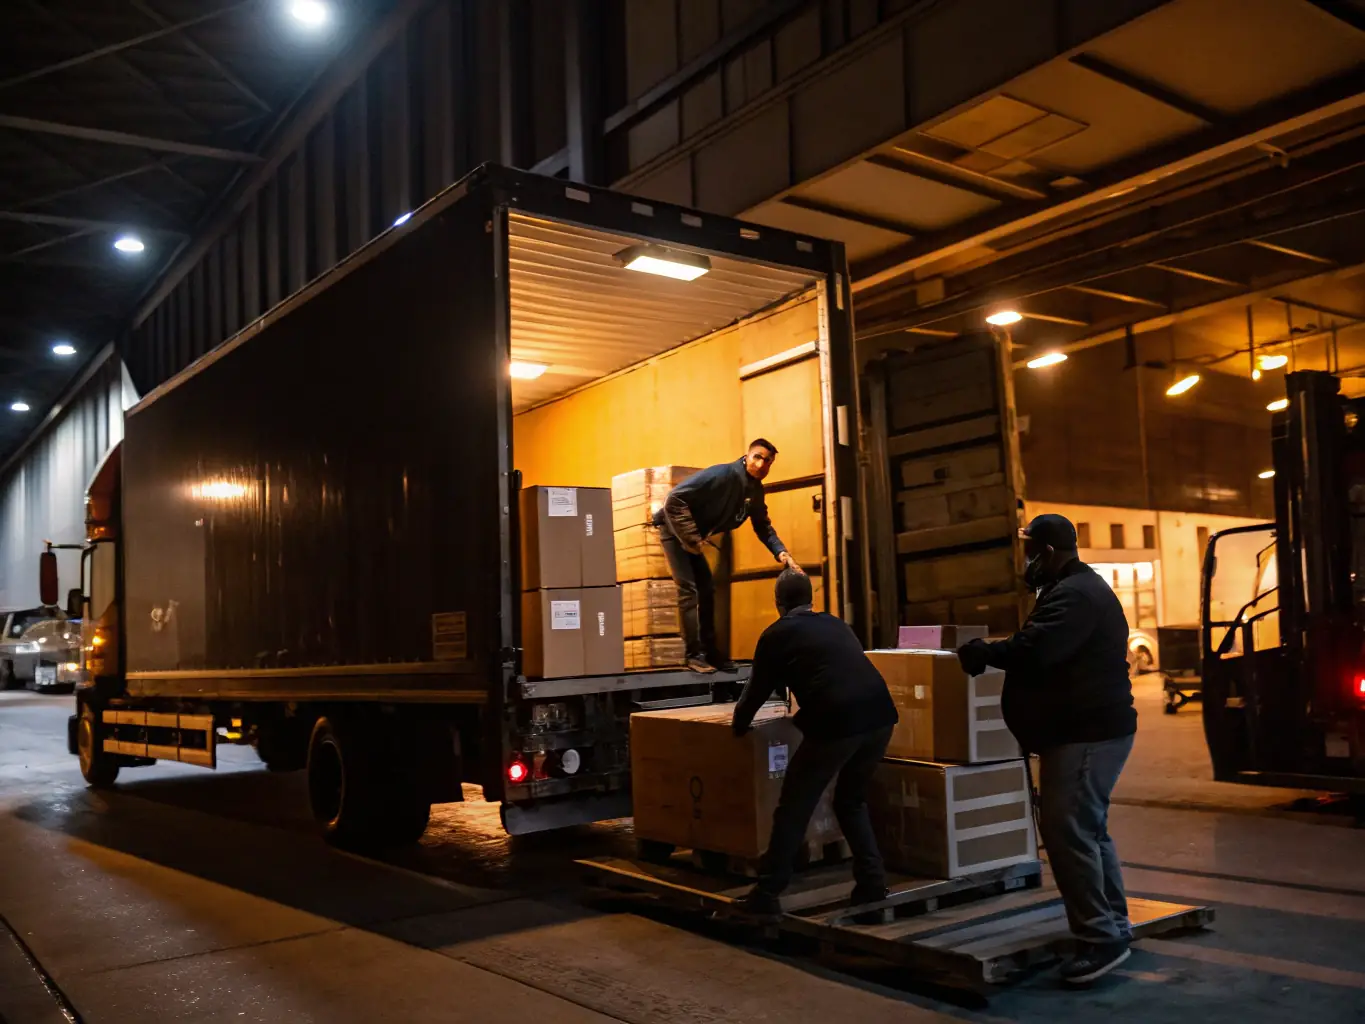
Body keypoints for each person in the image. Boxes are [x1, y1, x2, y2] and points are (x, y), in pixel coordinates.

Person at [957, 513, 1137, 986]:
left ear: (1050, 553)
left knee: (1067, 831)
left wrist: (986, 653)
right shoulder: (1071, 590)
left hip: (1087, 735)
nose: (1026, 562)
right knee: (1088, 831)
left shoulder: (1076, 594)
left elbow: (1037, 648)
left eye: (1030, 552)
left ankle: (1100, 938)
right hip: (1085, 731)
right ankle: (1113, 924)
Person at [729, 569, 899, 918]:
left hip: (839, 721)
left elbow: (756, 690)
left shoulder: (777, 634)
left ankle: (767, 892)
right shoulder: (836, 624)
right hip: (881, 716)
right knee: (851, 800)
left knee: (794, 806)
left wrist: (737, 727)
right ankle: (872, 882)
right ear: (810, 600)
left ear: (778, 603)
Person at [655, 439, 801, 674]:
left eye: (768, 462)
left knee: (708, 590)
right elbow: (674, 499)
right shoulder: (723, 474)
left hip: (694, 537)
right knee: (689, 590)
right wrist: (692, 539)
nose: (762, 464)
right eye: (758, 457)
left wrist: (782, 553)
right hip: (674, 529)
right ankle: (692, 655)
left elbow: (762, 526)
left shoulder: (754, 490)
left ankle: (711, 653)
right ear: (747, 456)